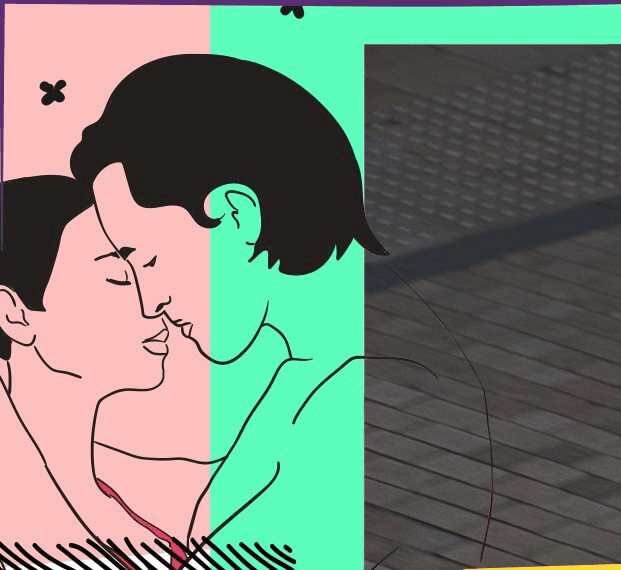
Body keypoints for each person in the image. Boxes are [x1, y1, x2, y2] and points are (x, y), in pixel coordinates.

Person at [69, 54, 388, 560]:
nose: (151, 305)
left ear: (236, 214)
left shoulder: (327, 413)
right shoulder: (298, 390)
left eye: (147, 260)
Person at [0, 175, 199, 568]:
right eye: (119, 277)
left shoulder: (124, 496)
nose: (155, 301)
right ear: (15, 315)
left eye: (148, 268)